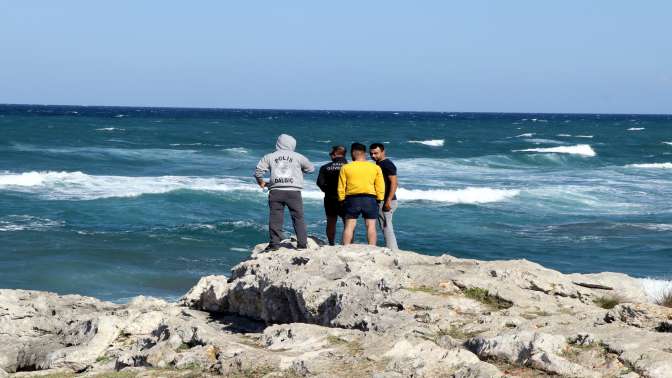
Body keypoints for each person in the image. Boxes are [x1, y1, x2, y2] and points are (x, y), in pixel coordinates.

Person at [254, 134, 314, 251]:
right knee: (298, 218)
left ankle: (275, 244)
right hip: (294, 192)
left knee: (275, 218)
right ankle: (302, 244)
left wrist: (261, 182)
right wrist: (300, 170)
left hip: (276, 191)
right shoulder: (298, 157)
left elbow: (258, 172)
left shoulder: (270, 156)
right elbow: (311, 169)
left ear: (278, 143)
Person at [337, 143, 385, 246]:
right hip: (370, 198)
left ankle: (346, 247)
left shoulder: (346, 167)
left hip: (352, 199)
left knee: (350, 225)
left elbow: (341, 186)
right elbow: (380, 186)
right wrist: (380, 198)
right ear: (365, 153)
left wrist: (341, 199)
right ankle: (372, 248)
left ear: (353, 153)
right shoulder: (375, 167)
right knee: (371, 226)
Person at [316, 145, 348, 246]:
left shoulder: (325, 167)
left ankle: (331, 244)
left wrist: (328, 191)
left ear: (335, 154)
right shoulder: (350, 167)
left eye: (331, 153)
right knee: (348, 223)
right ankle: (347, 244)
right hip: (346, 198)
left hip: (330, 198)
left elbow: (320, 183)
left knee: (331, 222)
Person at [369, 143, 399, 250]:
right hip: (382, 200)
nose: (373, 156)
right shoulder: (378, 164)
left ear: (383, 152)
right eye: (371, 153)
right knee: (385, 226)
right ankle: (393, 249)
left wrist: (388, 201)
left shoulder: (387, 164)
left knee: (386, 227)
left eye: (376, 153)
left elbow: (394, 183)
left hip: (387, 200)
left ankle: (393, 250)